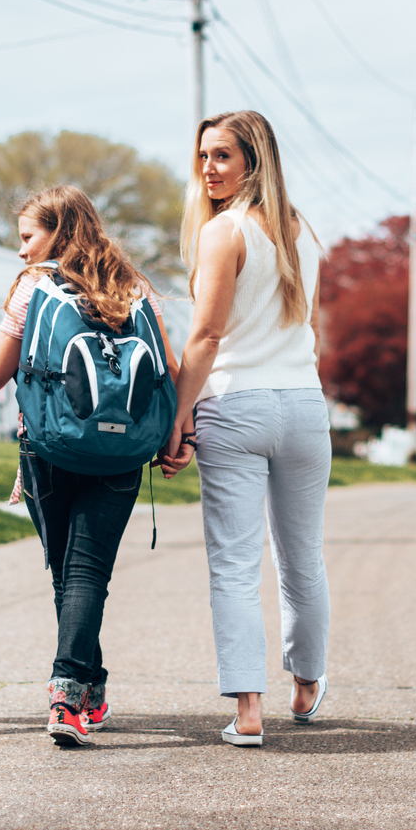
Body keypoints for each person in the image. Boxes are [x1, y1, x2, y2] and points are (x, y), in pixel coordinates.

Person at [0, 187, 176, 748]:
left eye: (28, 236)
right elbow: (168, 369)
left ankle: (67, 693)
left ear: (58, 232)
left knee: (68, 573)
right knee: (86, 572)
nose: (22, 250)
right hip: (123, 452)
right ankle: (88, 685)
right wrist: (178, 432)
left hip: (48, 449)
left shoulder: (34, 289)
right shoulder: (135, 289)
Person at [160, 110, 331, 747]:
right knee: (302, 558)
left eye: (222, 156)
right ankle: (307, 685)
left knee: (234, 565)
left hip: (236, 405)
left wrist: (178, 418)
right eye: (202, 156)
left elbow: (204, 337)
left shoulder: (223, 232)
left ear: (253, 161)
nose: (207, 168)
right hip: (304, 407)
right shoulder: (301, 231)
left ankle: (250, 712)